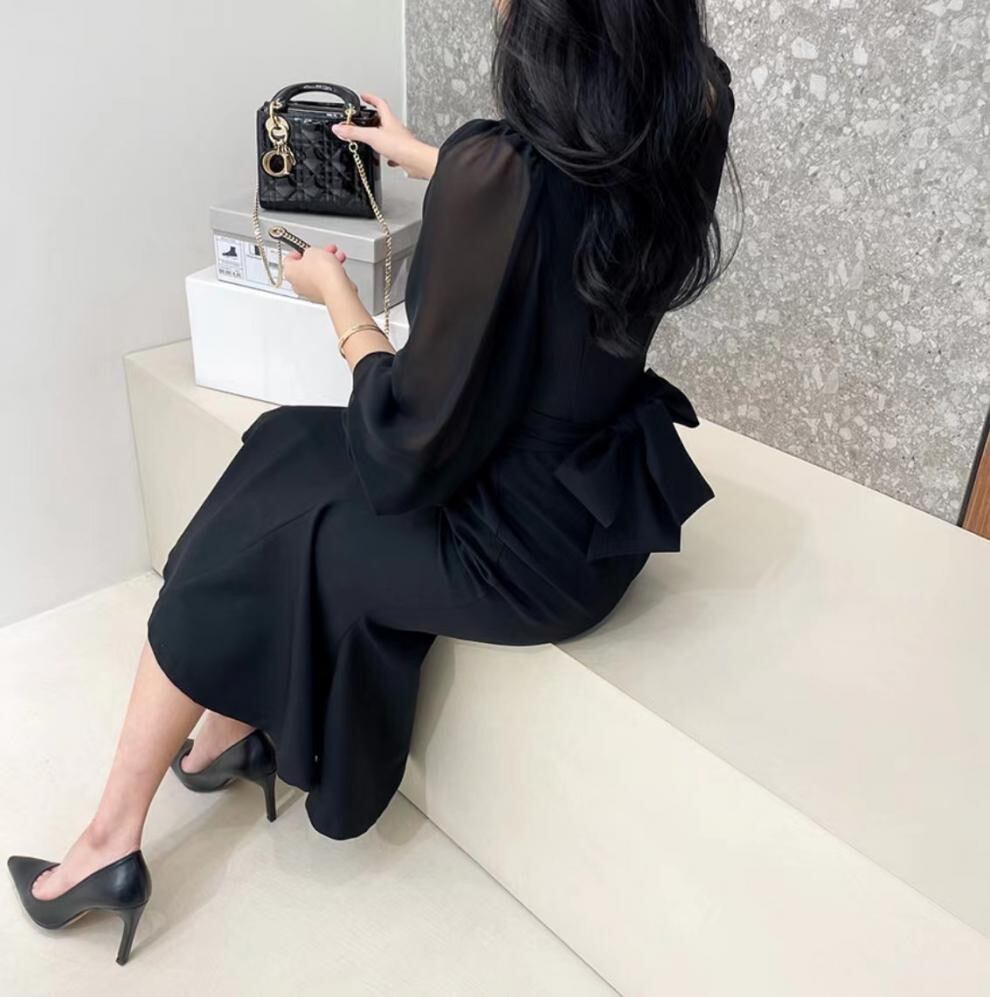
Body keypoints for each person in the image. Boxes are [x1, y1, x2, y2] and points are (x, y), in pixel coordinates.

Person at [8, 0, 738, 965]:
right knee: (283, 443)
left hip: (505, 550)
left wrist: (337, 297)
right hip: (597, 520)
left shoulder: (503, 172)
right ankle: (225, 731)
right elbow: (574, 185)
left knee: (252, 528)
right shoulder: (692, 100)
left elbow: (402, 445)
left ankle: (110, 840)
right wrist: (432, 159)